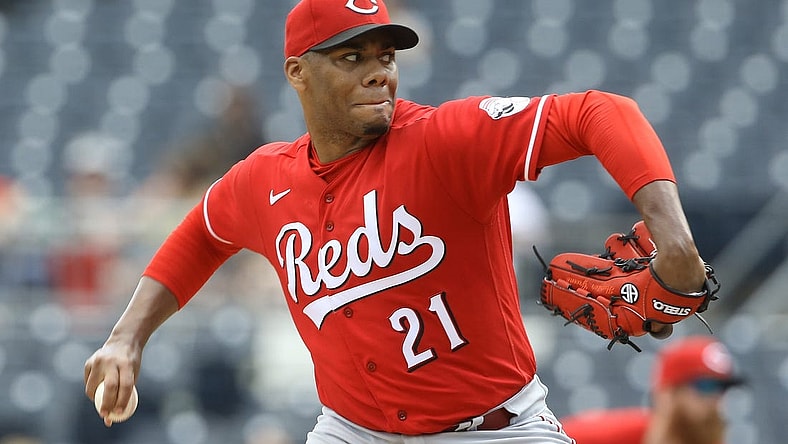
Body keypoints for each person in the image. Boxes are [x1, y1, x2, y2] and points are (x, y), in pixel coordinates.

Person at [83, 0, 709, 442]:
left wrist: (672, 235)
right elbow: (202, 234)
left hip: (491, 431)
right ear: (298, 73)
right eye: (351, 57)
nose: (378, 69)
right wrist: (127, 337)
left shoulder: (444, 140)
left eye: (384, 54)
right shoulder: (264, 180)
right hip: (351, 432)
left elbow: (602, 112)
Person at [560, 335, 743, 444]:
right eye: (705, 386)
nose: (716, 399)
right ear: (667, 393)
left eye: (723, 387)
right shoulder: (597, 437)